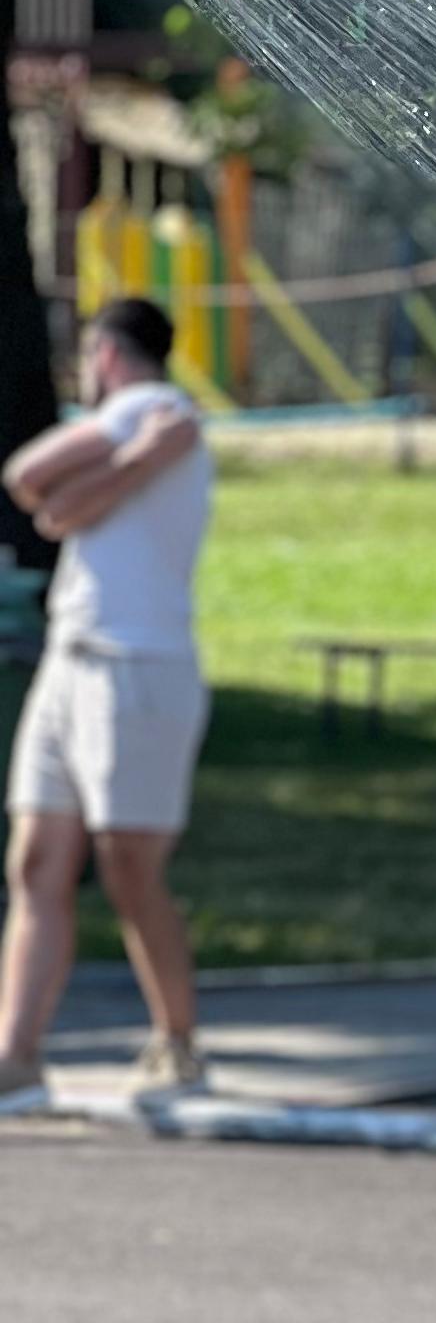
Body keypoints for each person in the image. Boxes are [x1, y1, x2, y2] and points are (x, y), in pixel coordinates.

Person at [0, 293, 214, 1108]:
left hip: (139, 662)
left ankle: (178, 1041)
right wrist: (132, 467)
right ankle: (17, 1054)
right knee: (36, 860)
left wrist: (123, 462)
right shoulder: (141, 438)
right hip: (71, 658)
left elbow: (28, 475)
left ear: (109, 353)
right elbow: (52, 509)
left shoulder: (150, 406)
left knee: (129, 867)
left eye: (90, 355)